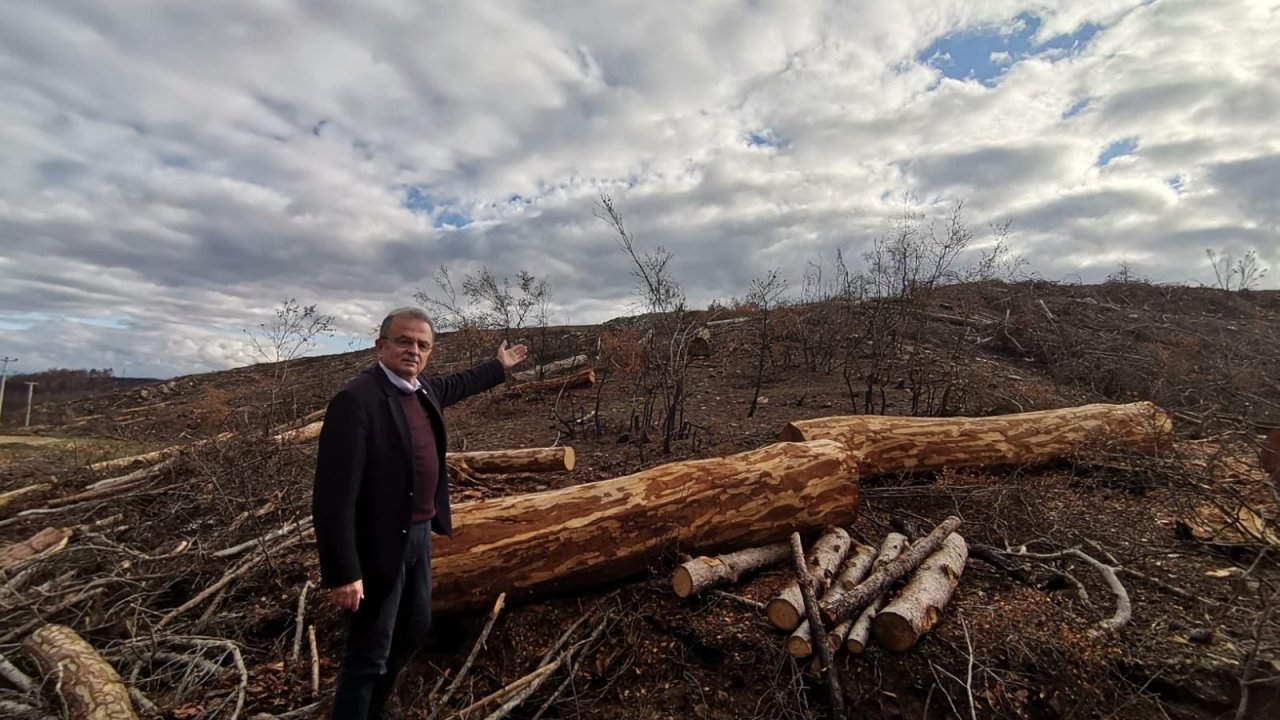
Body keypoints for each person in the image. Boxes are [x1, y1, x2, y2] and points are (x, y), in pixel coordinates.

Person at [312, 306, 528, 719]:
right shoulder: (357, 401)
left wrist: (498, 366)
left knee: (412, 630)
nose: (414, 350)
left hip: (418, 536)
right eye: (404, 341)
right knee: (369, 650)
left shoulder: (422, 389)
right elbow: (331, 496)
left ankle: (375, 710)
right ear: (381, 346)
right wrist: (343, 571)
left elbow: (458, 384)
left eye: (422, 345)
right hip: (376, 543)